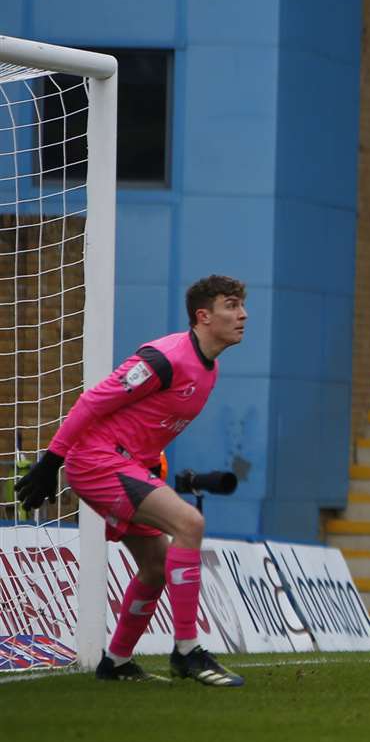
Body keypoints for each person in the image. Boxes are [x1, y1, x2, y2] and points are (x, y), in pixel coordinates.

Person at [13, 275, 250, 686]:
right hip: (97, 461)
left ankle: (117, 661)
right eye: (231, 305)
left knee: (156, 567)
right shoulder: (163, 358)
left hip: (128, 465)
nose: (242, 314)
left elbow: (144, 425)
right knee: (189, 523)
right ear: (203, 315)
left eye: (242, 305)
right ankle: (188, 651)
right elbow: (93, 400)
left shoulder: (208, 370)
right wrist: (51, 460)